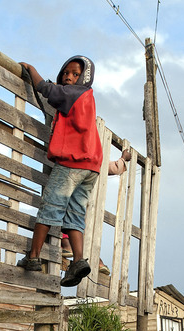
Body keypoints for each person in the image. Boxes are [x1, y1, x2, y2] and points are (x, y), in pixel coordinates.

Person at [16, 55, 103, 288]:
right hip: (91, 167)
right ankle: (78, 260)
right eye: (66, 72)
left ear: (85, 78)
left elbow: (46, 89)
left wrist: (31, 68)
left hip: (72, 163)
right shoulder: (87, 99)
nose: (68, 77)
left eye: (75, 74)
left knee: (51, 206)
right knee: (75, 214)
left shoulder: (74, 94)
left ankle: (33, 256)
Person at [58, 147, 133, 274]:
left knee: (67, 221)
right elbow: (116, 168)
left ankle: (66, 244)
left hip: (71, 197)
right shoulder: (96, 160)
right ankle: (98, 261)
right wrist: (123, 159)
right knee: (84, 233)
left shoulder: (73, 154)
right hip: (89, 203)